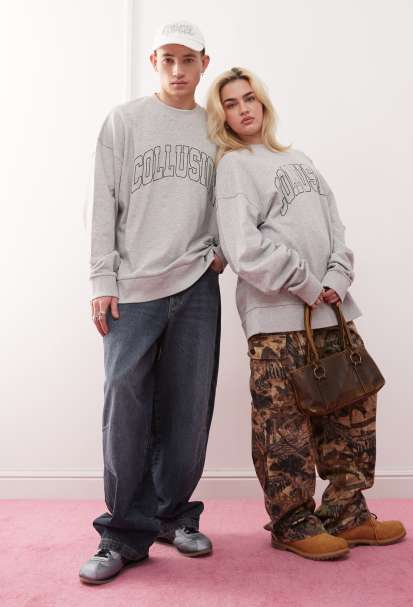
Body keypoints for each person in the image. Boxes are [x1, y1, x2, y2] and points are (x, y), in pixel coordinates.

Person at [207, 66, 406, 561]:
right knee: (284, 428)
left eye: (249, 98)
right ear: (221, 116)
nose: (243, 109)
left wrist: (337, 276)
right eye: (231, 103)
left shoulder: (299, 159)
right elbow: (243, 248)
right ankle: (292, 522)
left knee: (353, 412)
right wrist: (306, 283)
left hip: (332, 313)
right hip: (277, 320)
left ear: (263, 102)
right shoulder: (234, 167)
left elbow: (337, 229)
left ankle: (347, 513)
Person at [80, 21, 226, 585]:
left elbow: (234, 197)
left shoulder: (215, 128)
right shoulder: (124, 121)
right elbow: (101, 201)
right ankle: (122, 533)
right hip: (132, 289)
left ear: (204, 63)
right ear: (154, 62)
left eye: (188, 60)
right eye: (168, 59)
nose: (178, 70)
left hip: (195, 285)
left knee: (189, 409)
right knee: (125, 407)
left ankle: (173, 515)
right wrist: (102, 279)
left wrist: (222, 252)